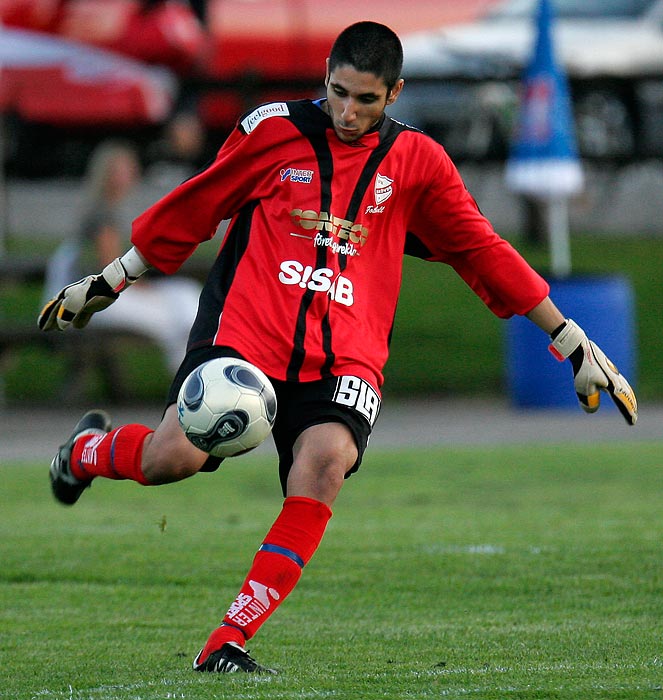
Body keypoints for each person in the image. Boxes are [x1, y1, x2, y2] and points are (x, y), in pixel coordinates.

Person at [38, 21, 637, 675]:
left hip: (345, 354)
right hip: (246, 329)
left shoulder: (418, 164)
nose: (348, 113)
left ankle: (227, 641)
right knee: (170, 458)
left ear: (395, 94)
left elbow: (480, 250)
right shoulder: (270, 130)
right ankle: (84, 453)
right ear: (324, 74)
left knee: (322, 465)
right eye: (338, 92)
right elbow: (198, 204)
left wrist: (568, 336)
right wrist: (110, 279)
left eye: (367, 100)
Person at [44, 141, 202, 375]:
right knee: (179, 306)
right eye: (124, 168)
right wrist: (146, 289)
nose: (132, 173)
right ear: (108, 174)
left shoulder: (102, 209)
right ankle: (187, 374)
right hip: (98, 306)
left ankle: (186, 371)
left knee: (183, 294)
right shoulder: (103, 215)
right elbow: (112, 272)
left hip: (90, 300)